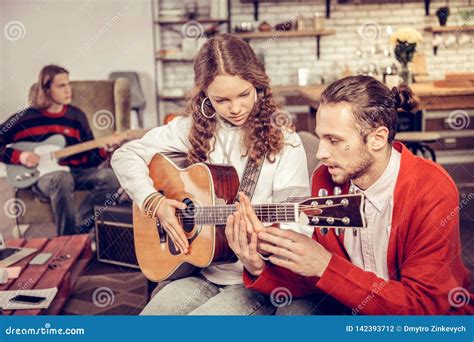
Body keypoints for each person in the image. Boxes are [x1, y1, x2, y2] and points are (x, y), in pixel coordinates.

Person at [231, 75, 473, 315]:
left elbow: (423, 306)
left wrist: (325, 264)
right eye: (321, 138)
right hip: (352, 310)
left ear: (377, 139)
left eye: (334, 140)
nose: (321, 153)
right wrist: (258, 265)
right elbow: (323, 281)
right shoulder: (325, 180)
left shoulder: (431, 188)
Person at [111, 34, 312, 315]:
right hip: (202, 269)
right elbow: (125, 155)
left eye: (244, 94)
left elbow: (299, 225)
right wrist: (154, 203)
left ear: (258, 84)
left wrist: (261, 240)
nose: (236, 108)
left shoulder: (286, 143)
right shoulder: (190, 129)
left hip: (252, 281)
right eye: (221, 100)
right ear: (205, 95)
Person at [0, 65, 122, 236]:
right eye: (61, 86)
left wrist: (104, 150)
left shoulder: (76, 116)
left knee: (112, 177)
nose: (68, 90)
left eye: (68, 84)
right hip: (41, 177)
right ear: (46, 89)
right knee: (61, 178)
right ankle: (67, 240)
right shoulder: (25, 118)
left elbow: (89, 159)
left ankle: (80, 225)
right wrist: (20, 156)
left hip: (73, 172)